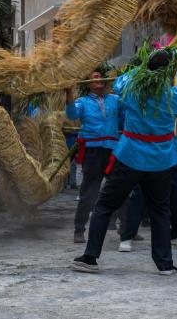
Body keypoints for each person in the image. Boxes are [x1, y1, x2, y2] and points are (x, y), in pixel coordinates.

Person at [71, 49, 177, 275]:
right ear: (168, 73)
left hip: (129, 157)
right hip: (161, 160)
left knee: (104, 206)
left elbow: (120, 82)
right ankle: (165, 264)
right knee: (160, 211)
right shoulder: (175, 95)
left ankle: (90, 258)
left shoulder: (131, 90)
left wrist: (143, 67)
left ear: (147, 70)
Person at [65, 70, 126, 244]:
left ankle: (127, 228)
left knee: (121, 188)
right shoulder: (82, 102)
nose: (99, 79)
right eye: (94, 77)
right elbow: (71, 115)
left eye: (101, 76)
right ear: (88, 84)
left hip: (114, 149)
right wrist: (69, 93)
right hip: (93, 150)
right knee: (89, 192)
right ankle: (79, 229)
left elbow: (126, 113)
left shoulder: (115, 100)